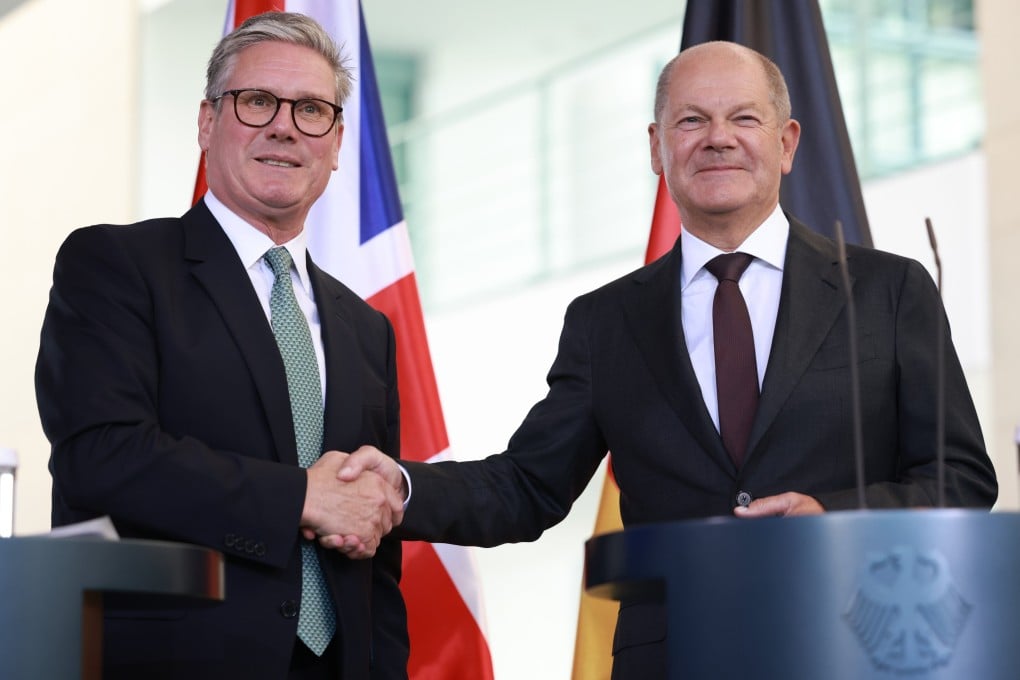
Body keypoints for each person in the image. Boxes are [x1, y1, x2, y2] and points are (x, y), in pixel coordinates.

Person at [336, 40, 998, 678]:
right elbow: (527, 486)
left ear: (787, 142)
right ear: (657, 148)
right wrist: (401, 487)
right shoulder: (605, 322)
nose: (718, 138)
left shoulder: (888, 290)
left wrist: (830, 517)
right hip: (671, 656)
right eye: (691, 120)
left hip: (848, 642)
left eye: (743, 118)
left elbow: (960, 479)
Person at [35, 12, 408, 680]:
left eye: (312, 110)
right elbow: (101, 454)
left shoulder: (366, 328)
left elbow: (375, 551)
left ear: (337, 142)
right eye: (258, 100)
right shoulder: (116, 265)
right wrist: (298, 496)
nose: (284, 125)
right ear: (207, 122)